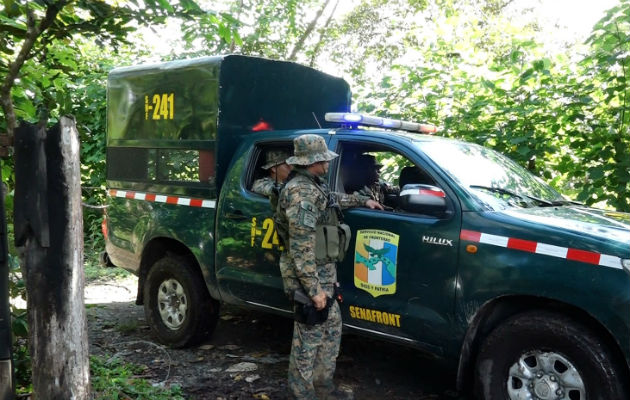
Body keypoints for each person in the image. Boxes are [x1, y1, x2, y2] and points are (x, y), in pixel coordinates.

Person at [275, 134, 382, 399]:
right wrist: (314, 291)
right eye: (324, 159)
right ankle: (302, 393)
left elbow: (331, 199)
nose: (328, 163)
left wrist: (361, 200)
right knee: (308, 338)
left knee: (331, 331)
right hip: (308, 277)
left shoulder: (313, 185)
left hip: (323, 272)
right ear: (313, 161)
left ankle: (323, 388)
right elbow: (301, 248)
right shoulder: (301, 194)